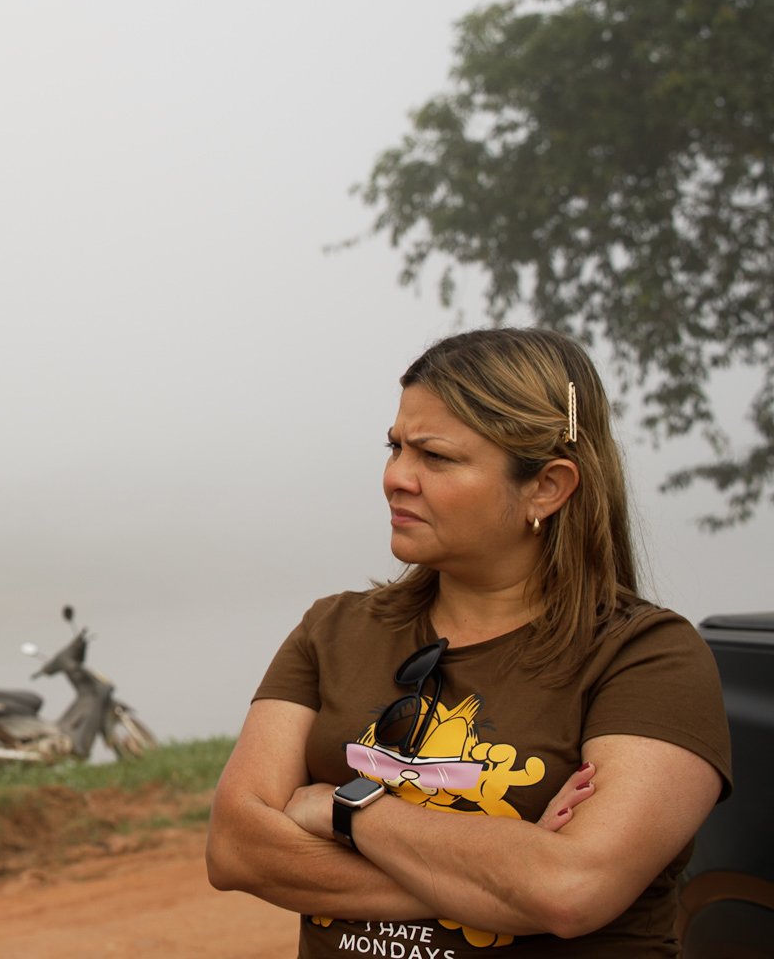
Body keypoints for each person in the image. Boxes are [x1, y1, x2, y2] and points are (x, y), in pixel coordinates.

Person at [206, 327, 731, 956]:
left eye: (436, 457)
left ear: (547, 487)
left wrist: (347, 811)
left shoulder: (648, 658)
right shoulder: (334, 629)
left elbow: (570, 889)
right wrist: (507, 880)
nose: (396, 477)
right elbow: (236, 848)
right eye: (394, 446)